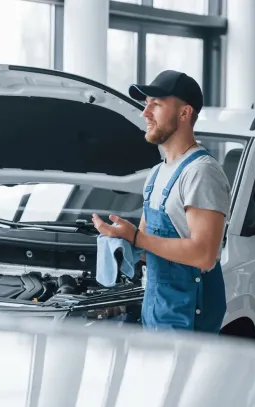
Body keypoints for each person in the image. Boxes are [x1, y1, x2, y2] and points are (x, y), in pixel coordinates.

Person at [92, 70, 230, 334]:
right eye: (146, 105)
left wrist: (136, 239)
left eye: (156, 104)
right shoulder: (157, 174)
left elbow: (205, 255)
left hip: (189, 321)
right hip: (158, 311)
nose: (146, 113)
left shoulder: (201, 172)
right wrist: (119, 240)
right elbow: (147, 245)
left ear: (184, 113)